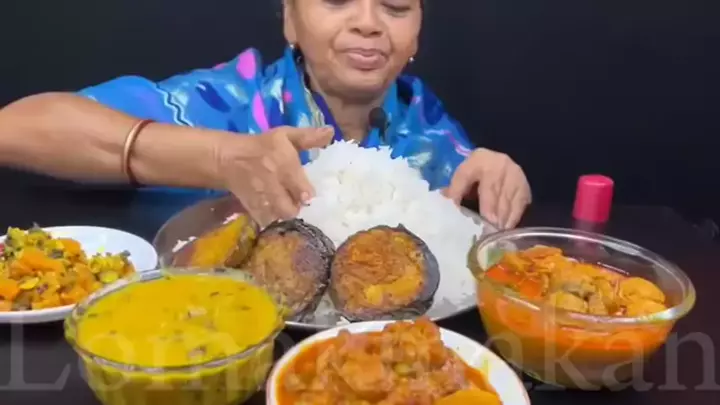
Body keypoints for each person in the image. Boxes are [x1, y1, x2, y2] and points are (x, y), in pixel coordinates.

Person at [0, 0, 531, 229]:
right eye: (336, 1)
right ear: (290, 21)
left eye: (396, 7)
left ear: (416, 34)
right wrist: (218, 157)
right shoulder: (226, 100)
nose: (370, 23)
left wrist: (495, 183)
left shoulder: (424, 118)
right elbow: (16, 129)